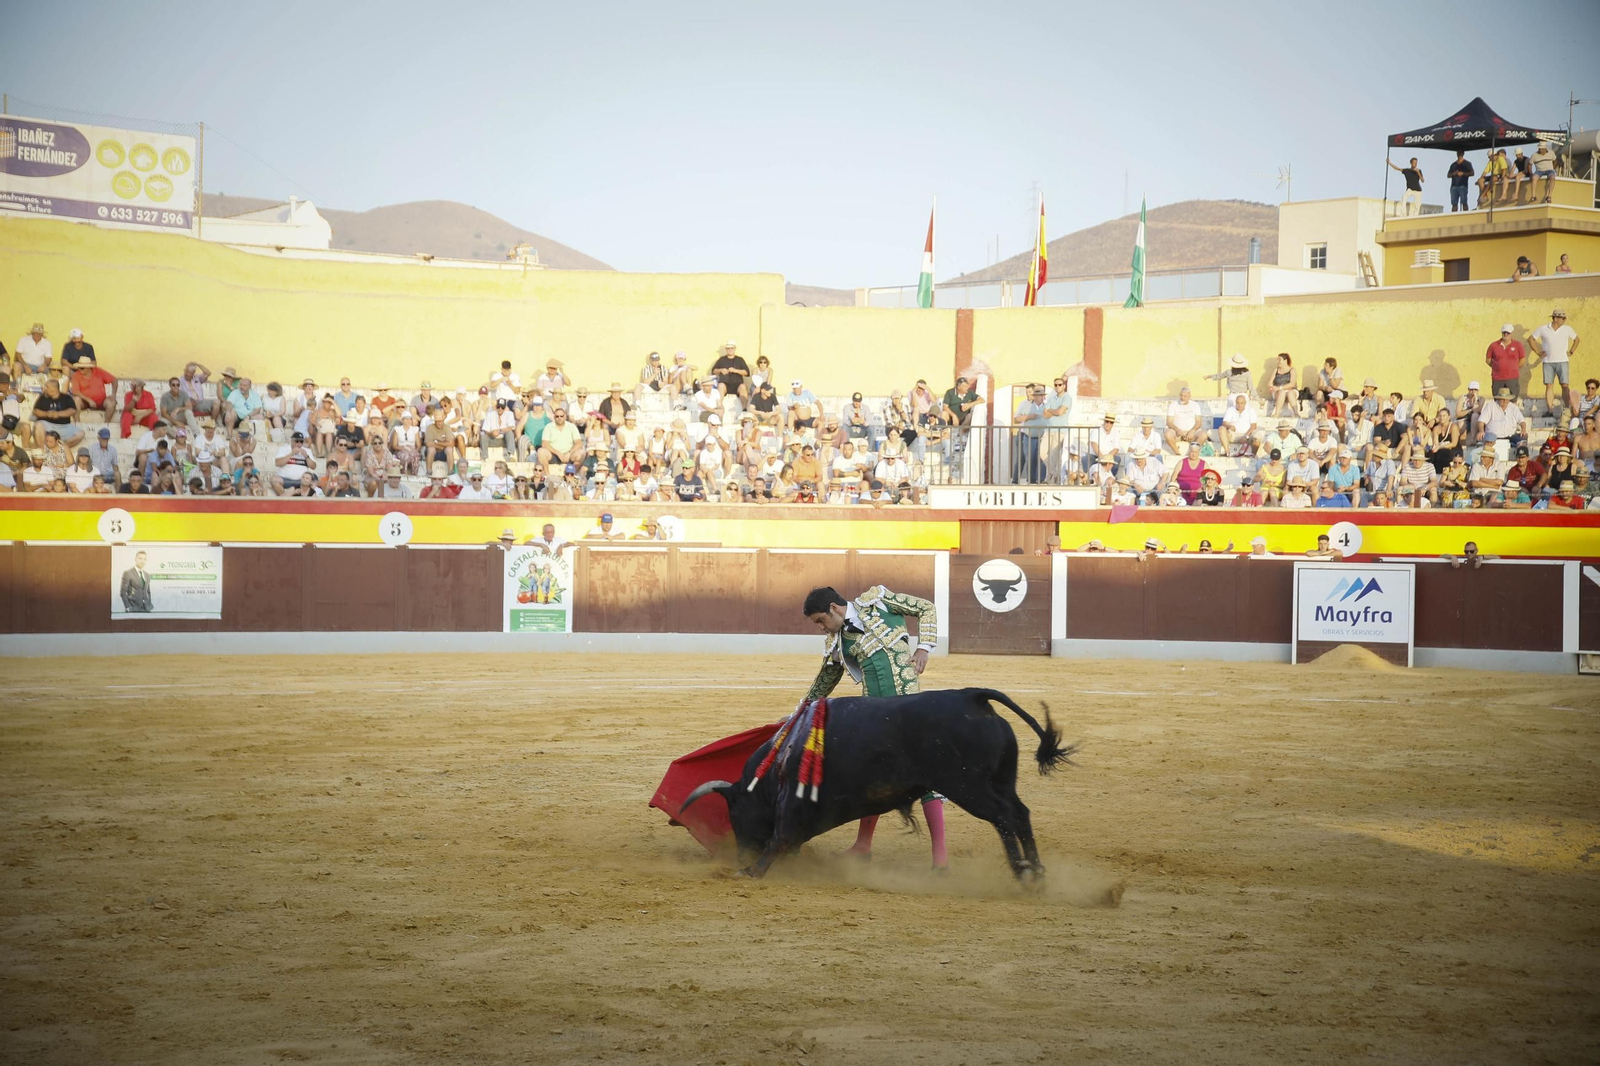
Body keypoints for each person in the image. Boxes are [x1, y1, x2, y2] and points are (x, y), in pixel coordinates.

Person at [800, 584, 944, 869]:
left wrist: (924, 647)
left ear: (834, 608)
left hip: (909, 706)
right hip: (874, 713)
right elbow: (825, 679)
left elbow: (925, 607)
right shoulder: (836, 641)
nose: (821, 628)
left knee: (926, 776)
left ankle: (941, 860)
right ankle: (863, 845)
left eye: (820, 620)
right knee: (871, 776)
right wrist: (800, 710)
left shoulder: (878, 601)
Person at [1528, 308, 1579, 417]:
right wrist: (1538, 352)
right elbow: (1531, 339)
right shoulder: (1543, 329)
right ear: (1555, 318)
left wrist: (1571, 351)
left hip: (1563, 361)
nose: (1564, 320)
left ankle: (1566, 409)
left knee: (1565, 385)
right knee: (1549, 385)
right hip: (1548, 361)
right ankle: (1550, 410)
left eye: (1564, 318)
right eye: (1562, 318)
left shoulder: (1567, 329)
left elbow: (1577, 339)